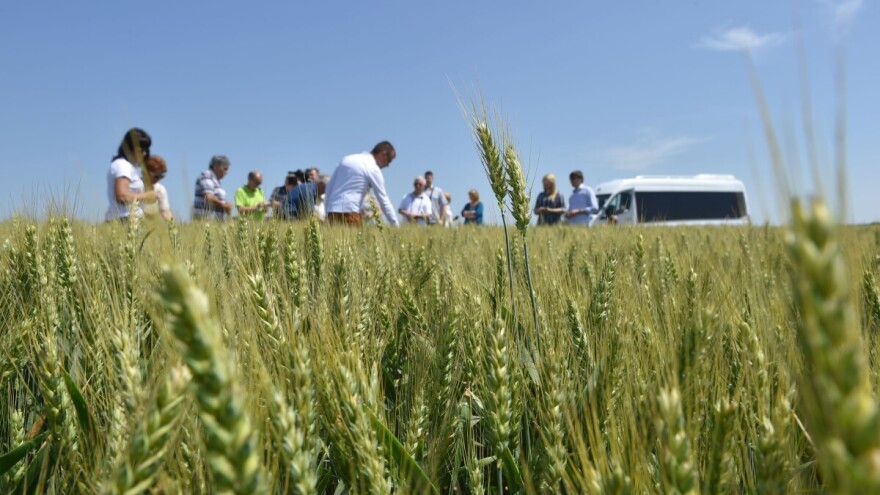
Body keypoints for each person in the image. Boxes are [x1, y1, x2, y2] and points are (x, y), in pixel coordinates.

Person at [324, 141, 400, 227]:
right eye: (389, 160)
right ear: (383, 154)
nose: (388, 165)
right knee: (353, 240)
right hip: (351, 214)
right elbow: (383, 200)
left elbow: (329, 187)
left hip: (331, 212)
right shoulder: (372, 167)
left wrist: (327, 210)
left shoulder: (346, 159)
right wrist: (396, 226)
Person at [106, 127, 156, 222]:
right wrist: (147, 196)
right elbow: (121, 196)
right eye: (141, 150)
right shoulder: (123, 165)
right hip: (125, 220)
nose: (145, 153)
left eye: (146, 150)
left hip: (126, 219)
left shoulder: (125, 165)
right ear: (130, 148)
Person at [193, 155, 232, 220]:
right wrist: (224, 206)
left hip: (213, 222)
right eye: (225, 169)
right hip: (206, 221)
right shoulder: (207, 175)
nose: (226, 172)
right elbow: (208, 197)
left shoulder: (215, 180)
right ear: (215, 166)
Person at [143, 155, 172, 220]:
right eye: (156, 176)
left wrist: (172, 225)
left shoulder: (160, 189)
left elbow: (165, 212)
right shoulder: (136, 186)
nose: (159, 179)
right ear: (146, 172)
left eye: (161, 176)